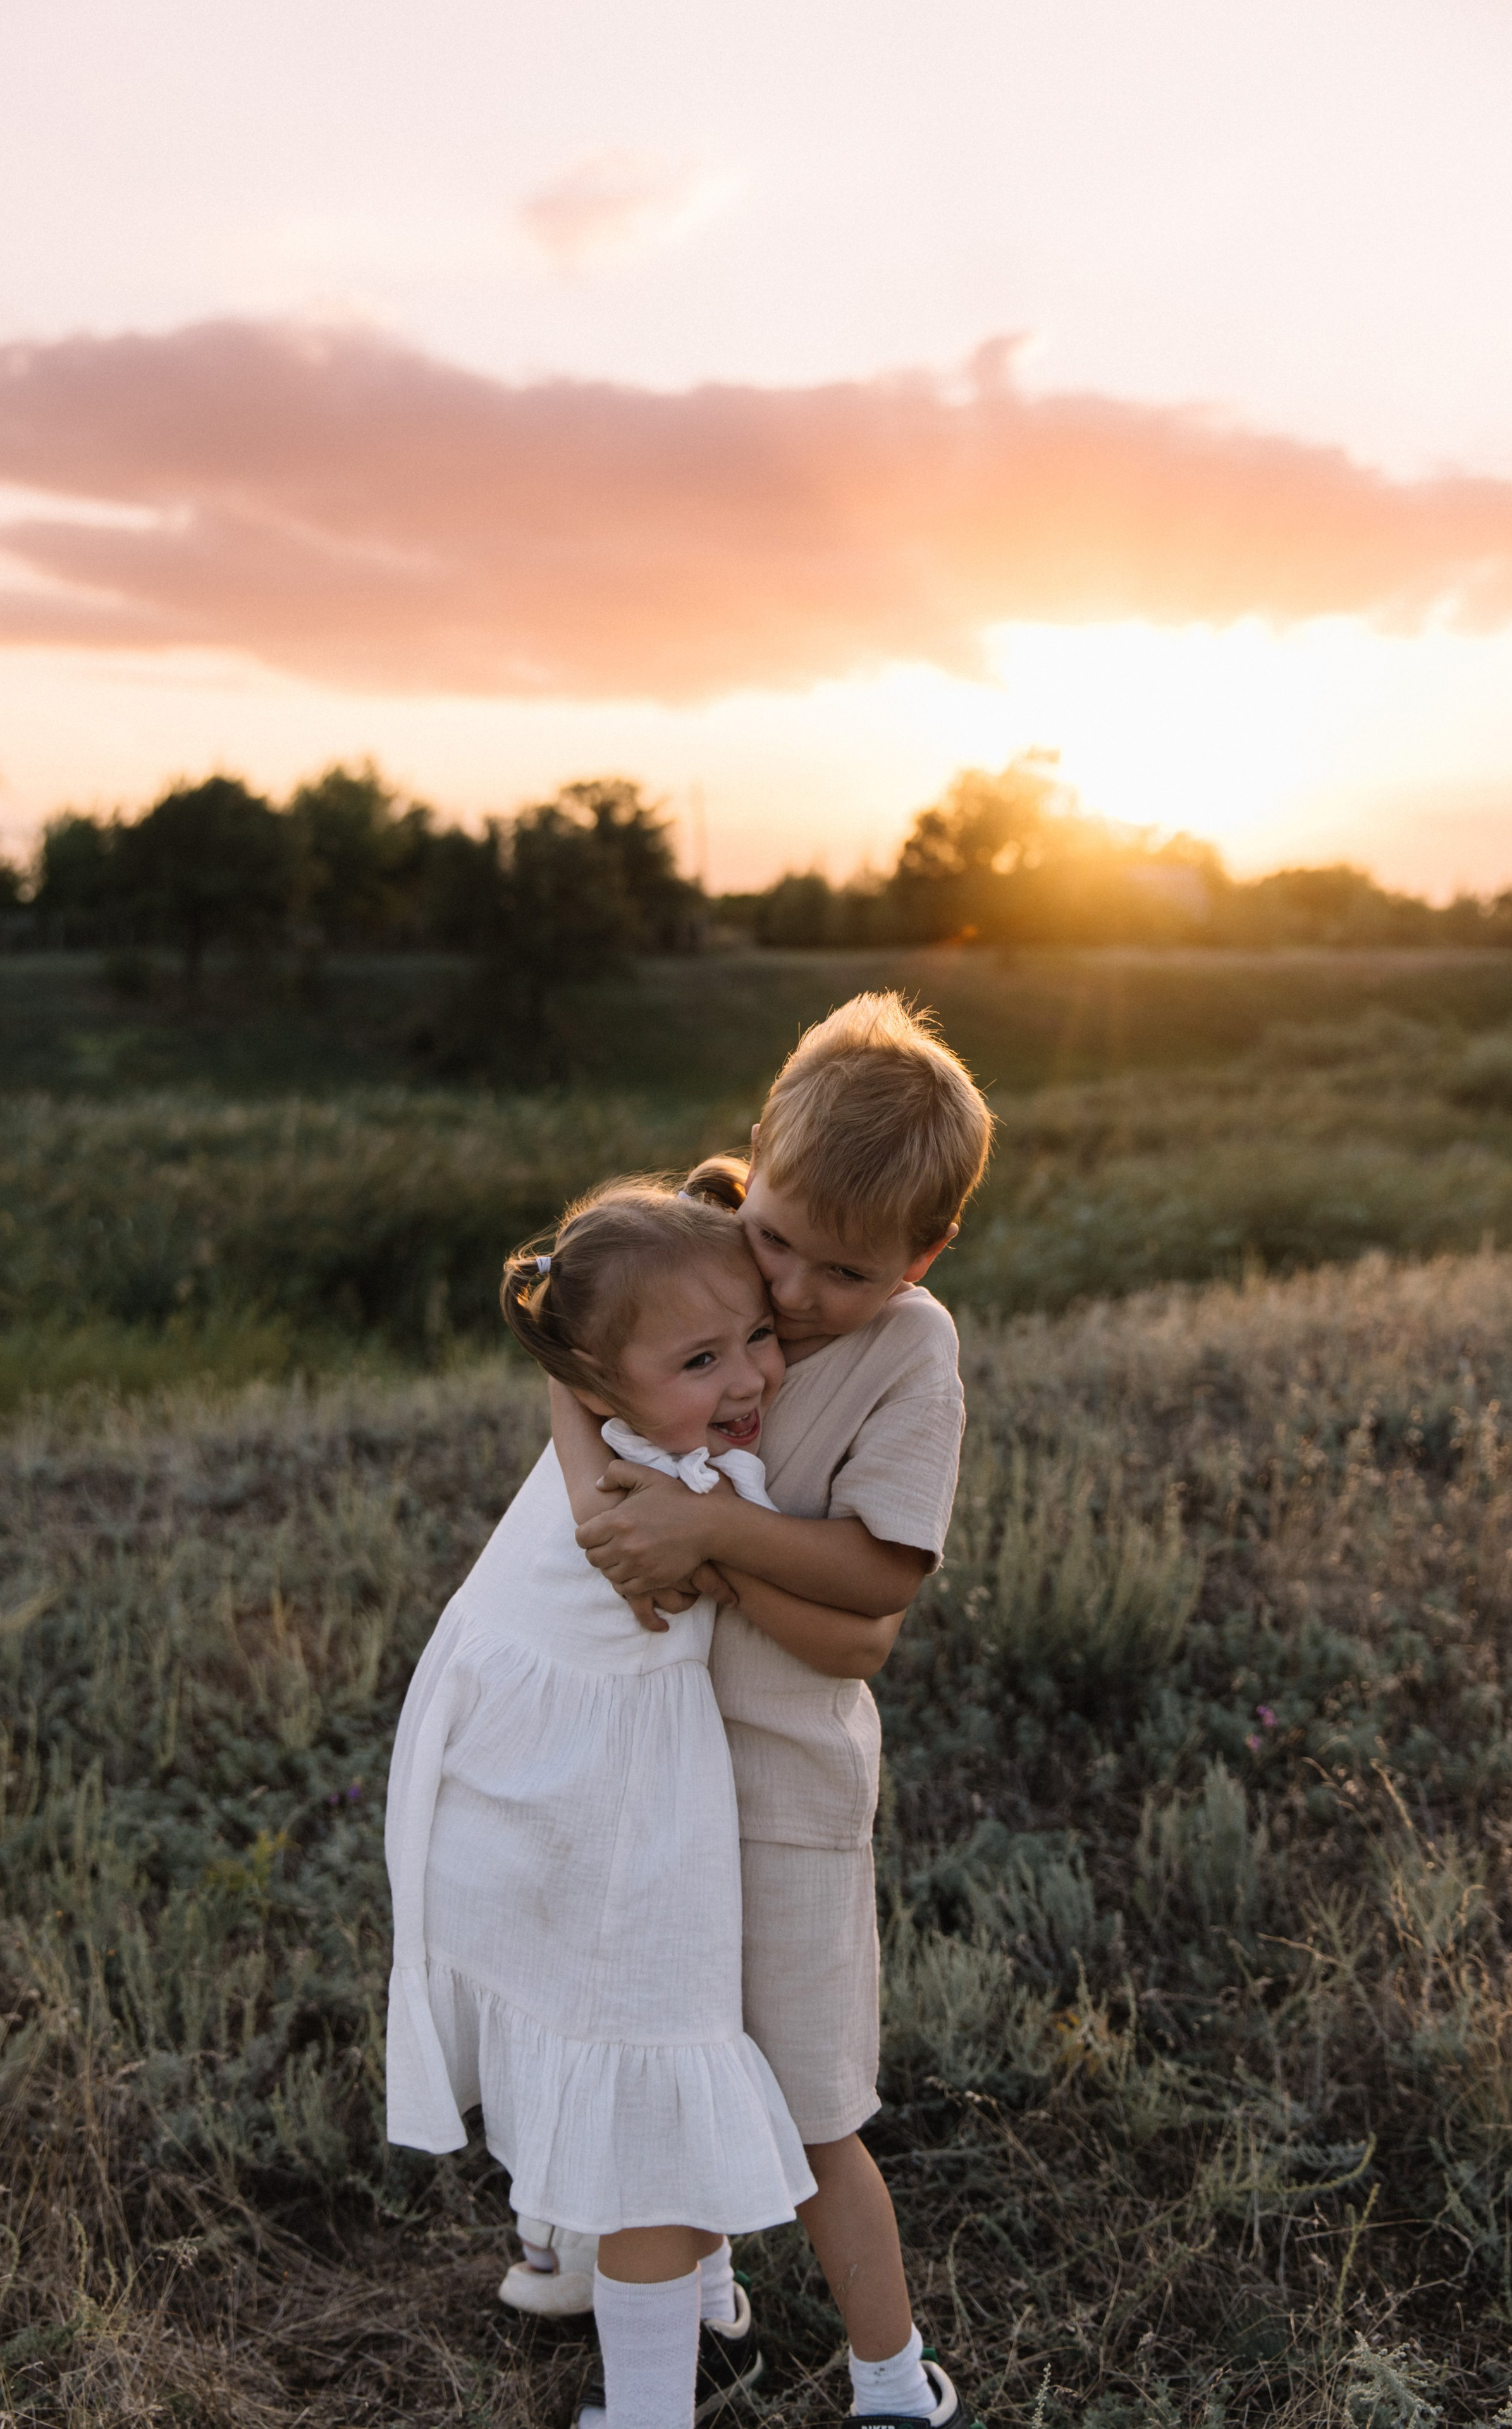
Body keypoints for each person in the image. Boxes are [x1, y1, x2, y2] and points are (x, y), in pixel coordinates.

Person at [384, 1179, 911, 2429]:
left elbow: (577, 1358)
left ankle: (639, 2306)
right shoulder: (681, 1473)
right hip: (579, 1791)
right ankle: (645, 2405)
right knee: (625, 2063)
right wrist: (731, 1541)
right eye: (700, 1358)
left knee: (600, 2035)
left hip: (541, 1767)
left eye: (755, 1338)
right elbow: (847, 1627)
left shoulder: (652, 1421)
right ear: (610, 1383)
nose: (748, 1379)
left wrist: (713, 1533)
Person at [551, 995, 992, 2429]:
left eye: (844, 1270)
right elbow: (558, 1337)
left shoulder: (909, 1351)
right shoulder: (701, 1235)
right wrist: (608, 1503)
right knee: (663, 2065)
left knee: (812, 2110)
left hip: (790, 1794)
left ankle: (888, 2383)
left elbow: (871, 1598)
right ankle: (694, 2300)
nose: (792, 1291)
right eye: (779, 1238)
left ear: (923, 1257)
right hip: (648, 1775)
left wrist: (703, 1538)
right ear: (753, 1160)